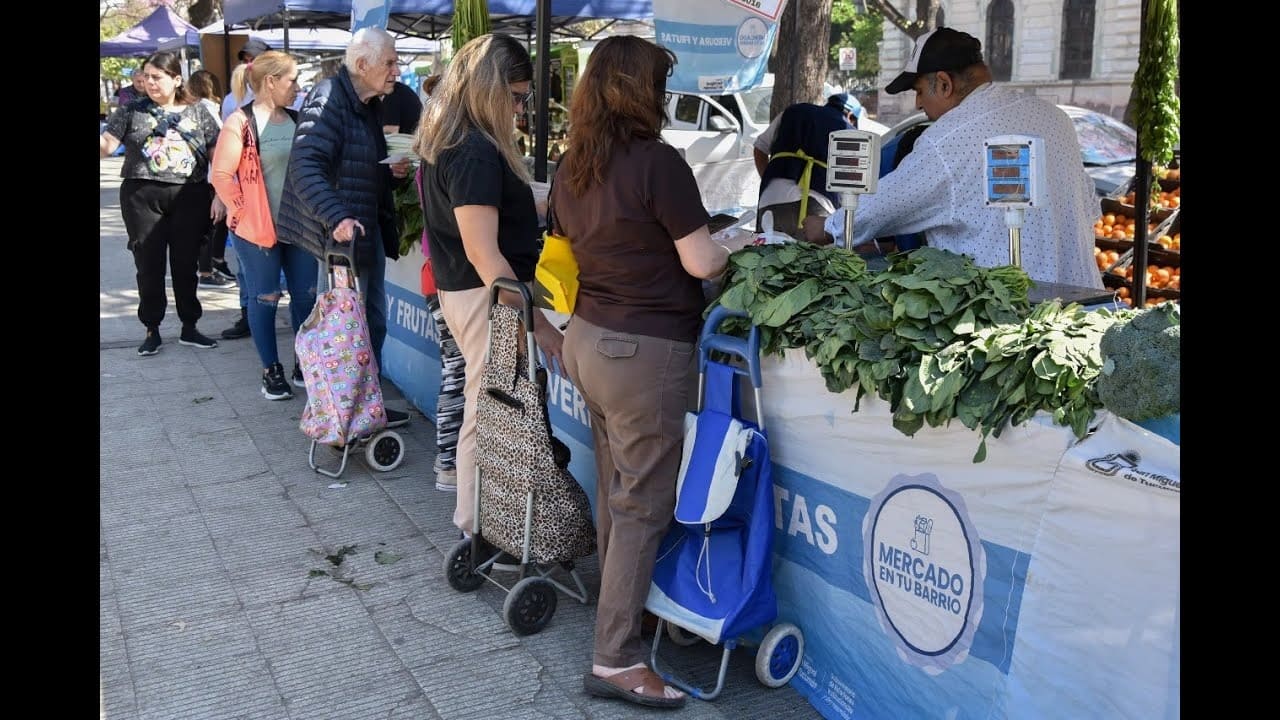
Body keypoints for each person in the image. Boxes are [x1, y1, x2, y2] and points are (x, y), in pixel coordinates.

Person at [549, 35, 754, 710]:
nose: (666, 99)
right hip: (644, 351)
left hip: (588, 338)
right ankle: (616, 658)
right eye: (661, 87)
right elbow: (700, 264)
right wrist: (736, 244)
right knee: (642, 503)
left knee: (618, 491)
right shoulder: (657, 163)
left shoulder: (572, 162)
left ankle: (623, 614)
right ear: (641, 93)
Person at [808, 28, 1103, 289]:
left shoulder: (947, 139)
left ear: (945, 84)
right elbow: (1090, 208)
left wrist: (825, 227)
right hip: (1081, 307)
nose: (918, 103)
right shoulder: (1054, 116)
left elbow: (885, 205)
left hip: (1012, 322)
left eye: (920, 91)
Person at [412, 34, 564, 530]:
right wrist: (536, 321)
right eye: (517, 97)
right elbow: (484, 251)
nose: (521, 109)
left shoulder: (455, 138)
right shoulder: (473, 148)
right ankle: (481, 523)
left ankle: (480, 520)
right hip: (487, 294)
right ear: (491, 88)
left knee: (489, 403)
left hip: (472, 291)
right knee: (490, 408)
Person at [275, 27, 414, 425]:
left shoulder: (365, 103)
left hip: (362, 234)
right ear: (362, 64)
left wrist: (391, 173)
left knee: (371, 325)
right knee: (347, 334)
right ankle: (342, 416)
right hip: (343, 240)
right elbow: (305, 165)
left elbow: (356, 165)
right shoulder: (330, 97)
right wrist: (337, 216)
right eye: (390, 61)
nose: (396, 70)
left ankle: (363, 407)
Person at [100, 51, 224, 356]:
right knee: (148, 265)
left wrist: (222, 193)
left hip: (190, 195)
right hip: (141, 196)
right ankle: (151, 328)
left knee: (186, 264)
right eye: (146, 76)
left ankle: (189, 327)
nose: (149, 82)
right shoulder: (129, 111)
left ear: (176, 78)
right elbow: (106, 146)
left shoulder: (199, 113)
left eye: (157, 76)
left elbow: (218, 156)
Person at [211, 51, 318, 400]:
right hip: (256, 230)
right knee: (266, 296)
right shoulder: (239, 122)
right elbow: (222, 175)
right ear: (271, 82)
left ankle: (303, 362)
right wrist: (243, 213)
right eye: (292, 81)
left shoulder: (297, 119)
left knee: (305, 295)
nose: (298, 88)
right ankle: (270, 370)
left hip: (298, 227)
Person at [414, 72, 464, 492]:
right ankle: (448, 461)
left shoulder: (432, 150)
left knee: (456, 370)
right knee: (459, 372)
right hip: (449, 278)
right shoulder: (453, 153)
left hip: (438, 277)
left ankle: (448, 460)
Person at [218, 37, 273, 342]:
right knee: (246, 266)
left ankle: (292, 318)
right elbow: (225, 161)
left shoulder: (291, 97)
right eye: (246, 57)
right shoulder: (232, 100)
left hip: (279, 196)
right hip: (247, 198)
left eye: (255, 56)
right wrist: (232, 202)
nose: (249, 62)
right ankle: (247, 315)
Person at [750, 93, 855, 241]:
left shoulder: (793, 111)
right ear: (850, 115)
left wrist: (770, 178)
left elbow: (759, 148)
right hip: (819, 202)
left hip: (772, 197)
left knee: (767, 257)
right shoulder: (849, 130)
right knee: (813, 261)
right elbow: (848, 187)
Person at [187, 69, 235, 290]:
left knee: (214, 225)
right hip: (209, 177)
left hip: (210, 175)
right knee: (210, 225)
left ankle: (212, 265)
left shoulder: (205, 108)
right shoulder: (205, 110)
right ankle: (206, 270)